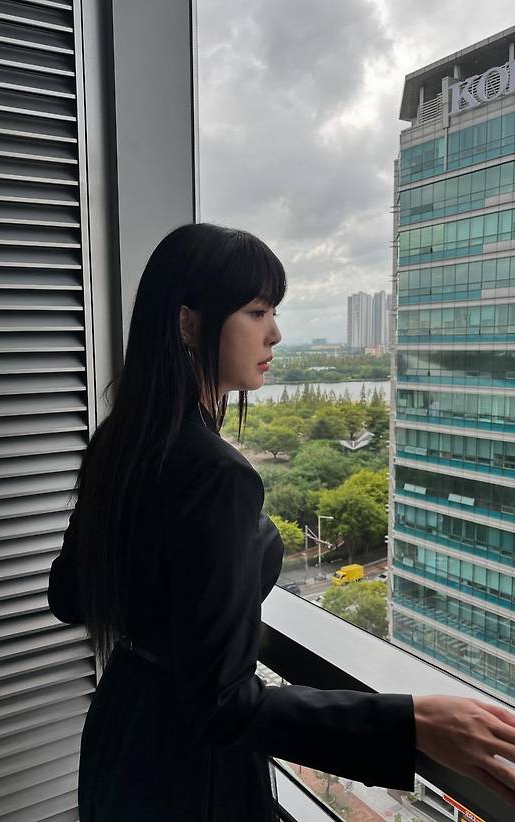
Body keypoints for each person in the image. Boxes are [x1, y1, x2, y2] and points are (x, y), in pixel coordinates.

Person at [47, 223, 515, 821]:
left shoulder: (122, 442)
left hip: (120, 734)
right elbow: (223, 705)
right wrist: (411, 722)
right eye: (257, 311)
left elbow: (69, 595)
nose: (275, 332)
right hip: (190, 779)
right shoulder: (215, 474)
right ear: (188, 323)